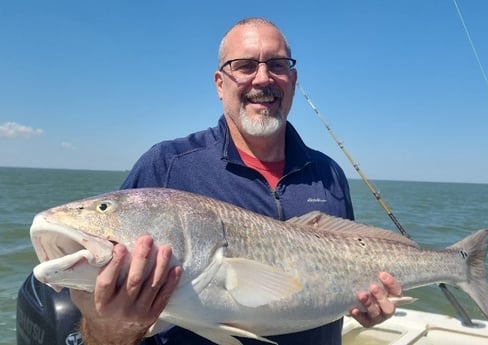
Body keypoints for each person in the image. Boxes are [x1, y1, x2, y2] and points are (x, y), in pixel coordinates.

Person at [70, 17, 402, 345]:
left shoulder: (329, 173)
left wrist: (370, 305)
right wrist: (113, 325)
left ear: (293, 79)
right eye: (244, 66)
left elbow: (346, 271)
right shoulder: (166, 167)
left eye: (277, 65)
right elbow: (103, 335)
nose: (262, 78)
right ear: (219, 83)